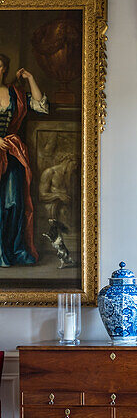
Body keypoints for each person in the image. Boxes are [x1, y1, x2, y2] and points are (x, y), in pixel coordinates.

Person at [0, 55, 49, 266]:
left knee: (13, 203)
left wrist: (30, 78)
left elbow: (40, 105)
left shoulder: (15, 93)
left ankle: (12, 250)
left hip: (11, 154)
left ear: (4, 68)